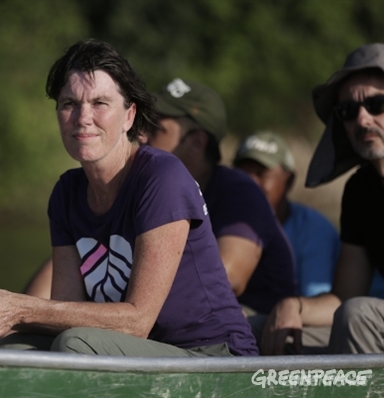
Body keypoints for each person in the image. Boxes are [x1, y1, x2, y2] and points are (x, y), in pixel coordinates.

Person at [0, 39, 258, 357]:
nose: (82, 117)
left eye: (100, 103)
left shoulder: (162, 178)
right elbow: (65, 312)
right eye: (69, 104)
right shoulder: (66, 193)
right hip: (135, 350)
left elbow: (138, 321)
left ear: (129, 116)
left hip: (210, 354)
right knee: (10, 347)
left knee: (74, 345)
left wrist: (21, 308)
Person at [262, 42, 384, 355]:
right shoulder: (361, 191)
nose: (362, 119)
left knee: (358, 318)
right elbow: (344, 297)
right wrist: (294, 306)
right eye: (347, 111)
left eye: (376, 104)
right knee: (262, 330)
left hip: (367, 321)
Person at [145, 78, 296, 316]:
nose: (141, 136)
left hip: (256, 331)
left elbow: (228, 280)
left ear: (196, 143)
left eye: (155, 129)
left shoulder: (240, 192)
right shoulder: (150, 190)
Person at [233, 131, 340, 297]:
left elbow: (314, 300)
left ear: (289, 181)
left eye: (262, 174)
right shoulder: (219, 221)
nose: (249, 182)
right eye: (241, 173)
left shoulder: (314, 229)